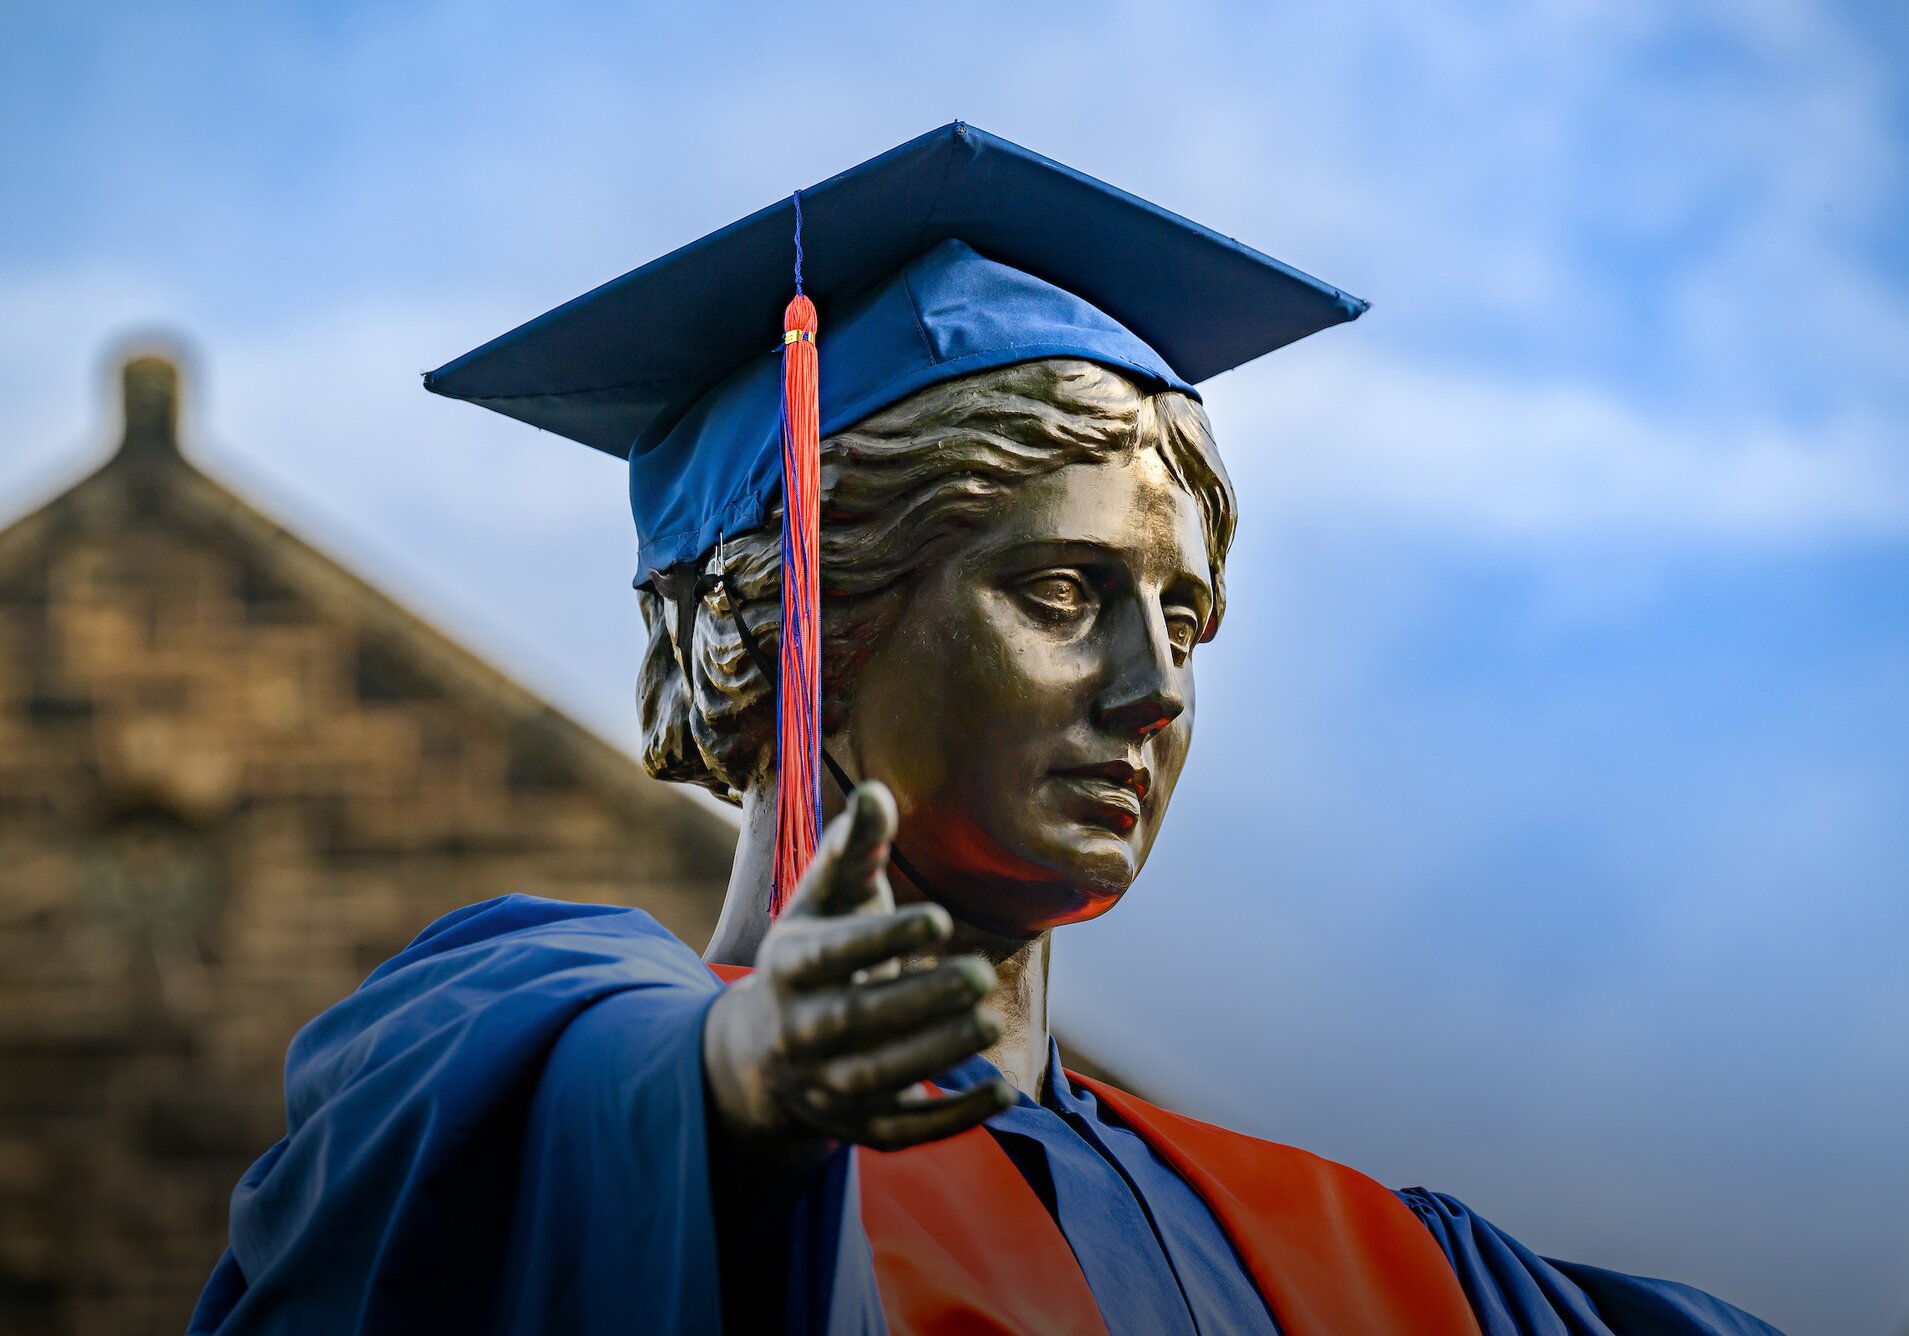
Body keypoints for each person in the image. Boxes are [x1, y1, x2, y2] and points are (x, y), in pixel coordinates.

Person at [189, 124, 1780, 1335]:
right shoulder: (534, 1068)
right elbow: (530, 1100)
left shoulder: (1359, 1261)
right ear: (794, 632)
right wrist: (736, 1094)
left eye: (1188, 618)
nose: (1154, 689)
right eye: (1063, 590)